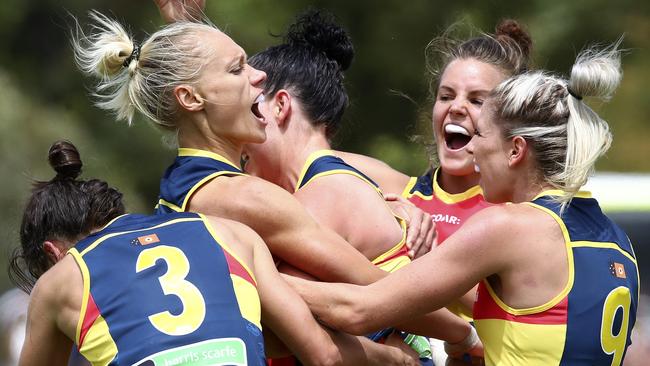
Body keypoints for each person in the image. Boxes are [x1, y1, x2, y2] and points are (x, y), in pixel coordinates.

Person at [73, 6, 479, 354]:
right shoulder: (249, 198)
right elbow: (374, 292)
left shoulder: (181, 188)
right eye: (238, 69)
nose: (259, 78)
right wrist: (465, 335)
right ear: (190, 97)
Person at [286, 42, 640, 366]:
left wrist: (252, 272)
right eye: (447, 96)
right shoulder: (621, 244)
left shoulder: (510, 226)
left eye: (481, 135)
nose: (471, 149)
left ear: (516, 150)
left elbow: (358, 311)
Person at [10, 140, 421, 366]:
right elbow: (322, 354)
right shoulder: (229, 234)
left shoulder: (59, 282)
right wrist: (396, 360)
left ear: (53, 252)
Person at [242, 10, 435, 365]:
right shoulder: (335, 179)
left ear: (281, 106)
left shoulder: (323, 194)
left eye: (252, 108)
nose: (241, 128)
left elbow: (270, 320)